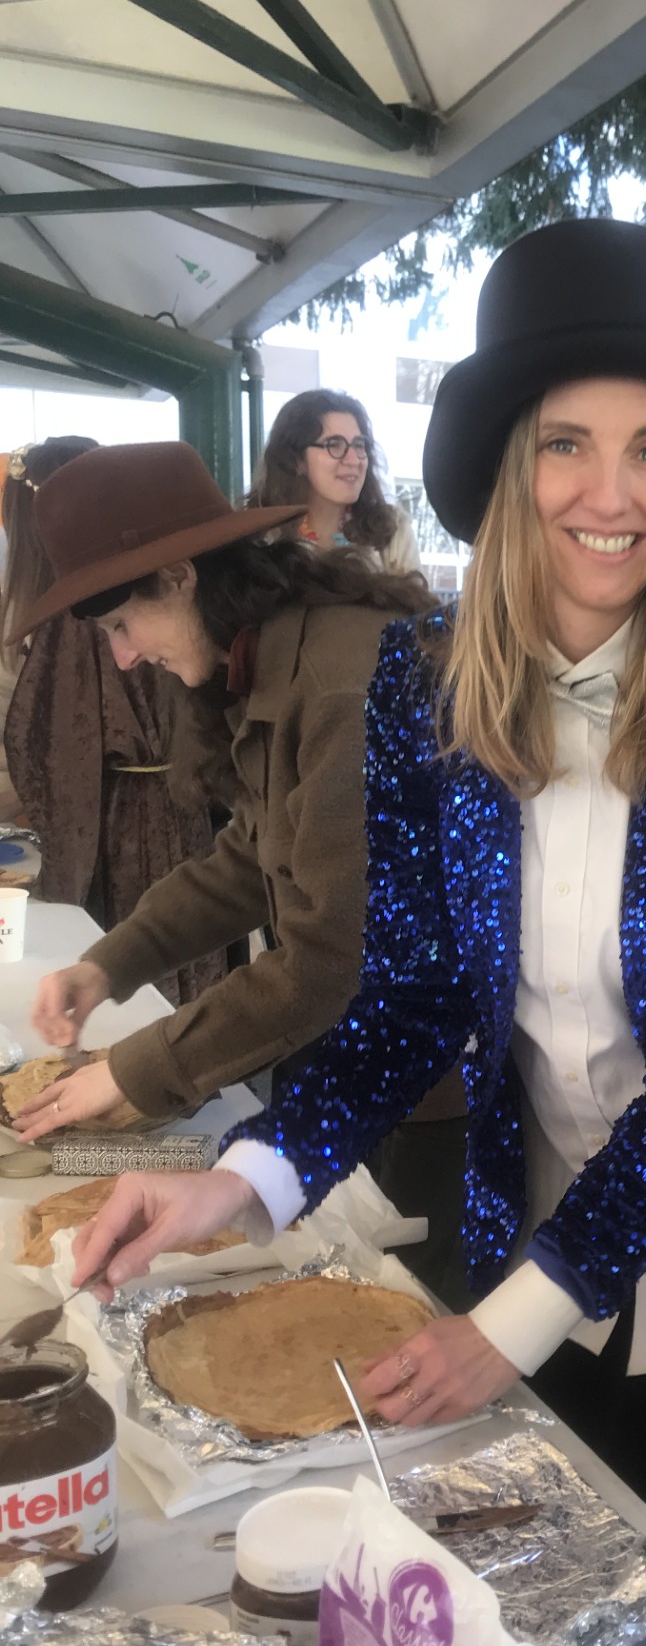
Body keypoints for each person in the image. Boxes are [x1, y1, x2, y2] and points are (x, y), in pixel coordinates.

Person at [70, 219, 646, 1555]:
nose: (613, 493)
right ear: (511, 467)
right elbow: (412, 993)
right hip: (519, 1225)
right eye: (567, 444)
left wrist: (515, 1322)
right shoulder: (421, 680)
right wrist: (242, 1183)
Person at [12, 440, 433, 1140]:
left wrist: (133, 1073)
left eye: (121, 626)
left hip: (421, 1087)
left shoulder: (340, 689)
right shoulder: (272, 654)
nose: (124, 658)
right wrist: (108, 966)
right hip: (354, 1057)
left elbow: (331, 958)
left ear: (179, 576)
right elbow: (251, 858)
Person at [1, 437, 223, 1004]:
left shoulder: (77, 621)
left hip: (129, 830)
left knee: (149, 991)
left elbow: (50, 751)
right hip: (179, 821)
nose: (123, 656)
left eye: (121, 630)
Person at [246, 389, 421, 573]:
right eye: (334, 445)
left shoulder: (392, 534)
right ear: (296, 460)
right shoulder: (260, 539)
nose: (354, 460)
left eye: (359, 445)